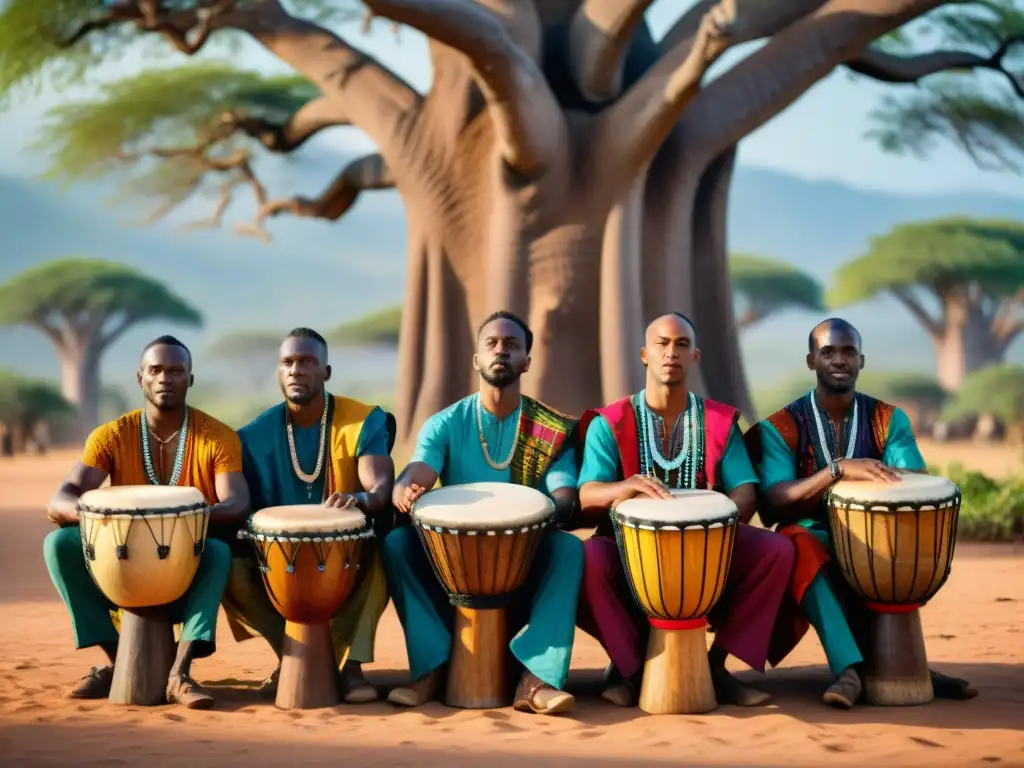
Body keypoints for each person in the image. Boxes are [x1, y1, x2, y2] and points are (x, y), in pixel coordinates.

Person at [744, 318, 977, 708]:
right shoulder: (781, 427)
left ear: (861, 360)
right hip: (813, 535)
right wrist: (836, 470)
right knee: (795, 543)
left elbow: (910, 484)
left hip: (876, 539)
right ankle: (849, 671)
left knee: (897, 551)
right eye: (828, 351)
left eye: (848, 351)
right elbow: (778, 499)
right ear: (810, 360)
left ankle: (906, 668)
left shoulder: (888, 419)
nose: (839, 359)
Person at [575, 313, 795, 708]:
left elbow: (746, 493)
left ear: (694, 356)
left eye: (680, 345)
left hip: (708, 548)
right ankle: (634, 668)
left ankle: (716, 666)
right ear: (645, 354)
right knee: (587, 559)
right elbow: (586, 494)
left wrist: (704, 522)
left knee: (776, 551)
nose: (670, 353)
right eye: (661, 344)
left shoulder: (718, 421)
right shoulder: (610, 422)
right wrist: (624, 487)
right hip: (629, 552)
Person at [384, 311, 583, 715]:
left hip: (523, 564)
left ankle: (537, 678)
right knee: (397, 543)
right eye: (491, 343)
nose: (500, 351)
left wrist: (558, 505)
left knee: (568, 550)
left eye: (512, 345)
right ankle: (432, 668)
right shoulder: (445, 423)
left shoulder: (550, 429)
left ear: (526, 361)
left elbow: (563, 491)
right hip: (454, 568)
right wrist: (406, 484)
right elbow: (422, 466)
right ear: (476, 359)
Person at [43, 336, 249, 709]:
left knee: (217, 551)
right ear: (140, 379)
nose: (165, 378)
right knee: (58, 545)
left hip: (186, 567)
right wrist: (100, 515)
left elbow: (237, 502)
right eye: (155, 370)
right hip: (121, 565)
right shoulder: (111, 435)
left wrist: (190, 515)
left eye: (175, 371)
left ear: (190, 379)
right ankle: (117, 659)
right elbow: (61, 499)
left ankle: (178, 674)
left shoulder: (218, 436)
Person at [225, 328, 395, 704]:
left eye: (307, 362)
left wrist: (359, 498)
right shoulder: (253, 435)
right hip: (277, 562)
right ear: (278, 372)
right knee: (227, 563)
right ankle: (291, 657)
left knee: (387, 548)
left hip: (350, 555)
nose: (296, 370)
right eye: (287, 363)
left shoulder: (361, 420)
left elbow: (380, 491)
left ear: (326, 372)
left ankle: (352, 667)